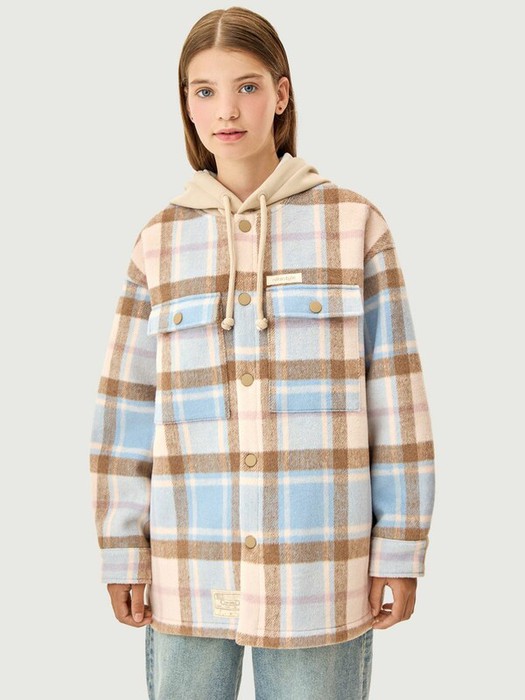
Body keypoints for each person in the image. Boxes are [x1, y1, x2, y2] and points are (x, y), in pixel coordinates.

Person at [89, 6, 436, 699]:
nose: (226, 109)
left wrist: (401, 545)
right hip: (189, 567)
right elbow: (126, 407)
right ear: (186, 104)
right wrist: (122, 549)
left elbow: (395, 396)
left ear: (280, 95)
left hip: (319, 568)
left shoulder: (353, 226)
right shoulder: (157, 242)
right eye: (205, 90)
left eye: (246, 87)